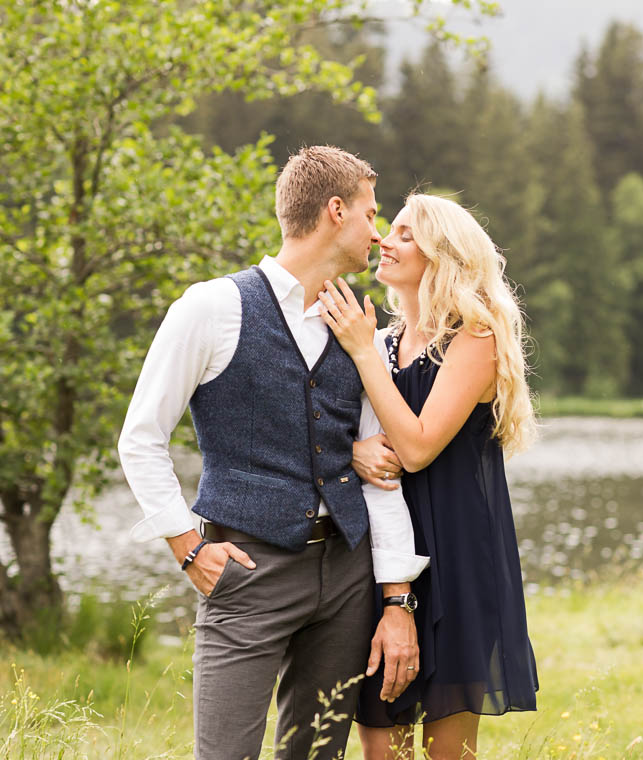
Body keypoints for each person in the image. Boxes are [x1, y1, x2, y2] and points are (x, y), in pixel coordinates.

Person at [117, 146, 429, 760]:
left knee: (315, 755)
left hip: (344, 573)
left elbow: (381, 473)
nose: (378, 231)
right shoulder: (212, 307)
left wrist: (396, 598)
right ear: (335, 212)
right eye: (371, 214)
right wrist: (188, 547)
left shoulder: (357, 324)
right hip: (247, 568)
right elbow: (141, 436)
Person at [316, 192, 539, 760]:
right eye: (387, 229)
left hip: (459, 559)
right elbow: (338, 436)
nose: (383, 242)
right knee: (381, 746)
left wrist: (363, 354)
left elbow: (415, 449)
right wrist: (354, 452)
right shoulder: (385, 343)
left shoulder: (475, 337)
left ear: (442, 255)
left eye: (405, 234)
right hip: (386, 561)